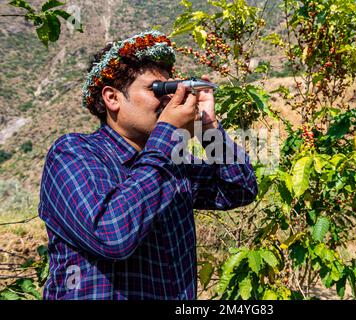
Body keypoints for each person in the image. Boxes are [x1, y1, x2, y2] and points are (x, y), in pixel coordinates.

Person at [38, 30, 258, 300]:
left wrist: (207, 128)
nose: (167, 99)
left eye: (170, 88)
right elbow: (112, 236)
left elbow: (239, 187)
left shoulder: (170, 166)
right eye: (157, 89)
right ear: (112, 98)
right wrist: (168, 135)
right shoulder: (73, 153)